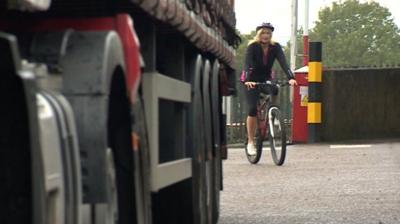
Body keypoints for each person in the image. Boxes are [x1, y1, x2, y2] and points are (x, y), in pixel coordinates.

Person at [240, 22, 297, 155]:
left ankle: (273, 112)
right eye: (263, 33)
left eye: (268, 33)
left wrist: (291, 77)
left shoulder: (275, 47)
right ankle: (250, 142)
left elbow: (283, 62)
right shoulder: (253, 47)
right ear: (259, 35)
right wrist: (248, 80)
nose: (266, 35)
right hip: (252, 80)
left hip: (265, 77)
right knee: (252, 109)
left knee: (275, 89)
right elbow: (247, 64)